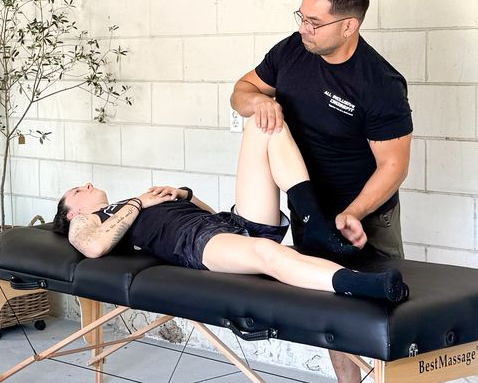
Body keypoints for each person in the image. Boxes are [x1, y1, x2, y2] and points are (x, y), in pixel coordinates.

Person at [230, 0, 438, 383]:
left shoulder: (380, 83)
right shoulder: (293, 51)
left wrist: (355, 212)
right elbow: (241, 89)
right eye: (301, 15)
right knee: (331, 310)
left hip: (366, 212)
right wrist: (260, 101)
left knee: (389, 316)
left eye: (315, 21)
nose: (304, 27)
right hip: (310, 210)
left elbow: (394, 166)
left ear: (348, 27)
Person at [51, 121, 409, 305]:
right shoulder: (87, 221)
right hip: (195, 246)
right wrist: (140, 203)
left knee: (262, 123)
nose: (84, 184)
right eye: (75, 191)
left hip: (224, 224)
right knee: (268, 253)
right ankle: (357, 285)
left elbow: (203, 213)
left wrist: (184, 195)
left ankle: (314, 219)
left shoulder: (127, 205)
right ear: (72, 212)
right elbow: (94, 248)